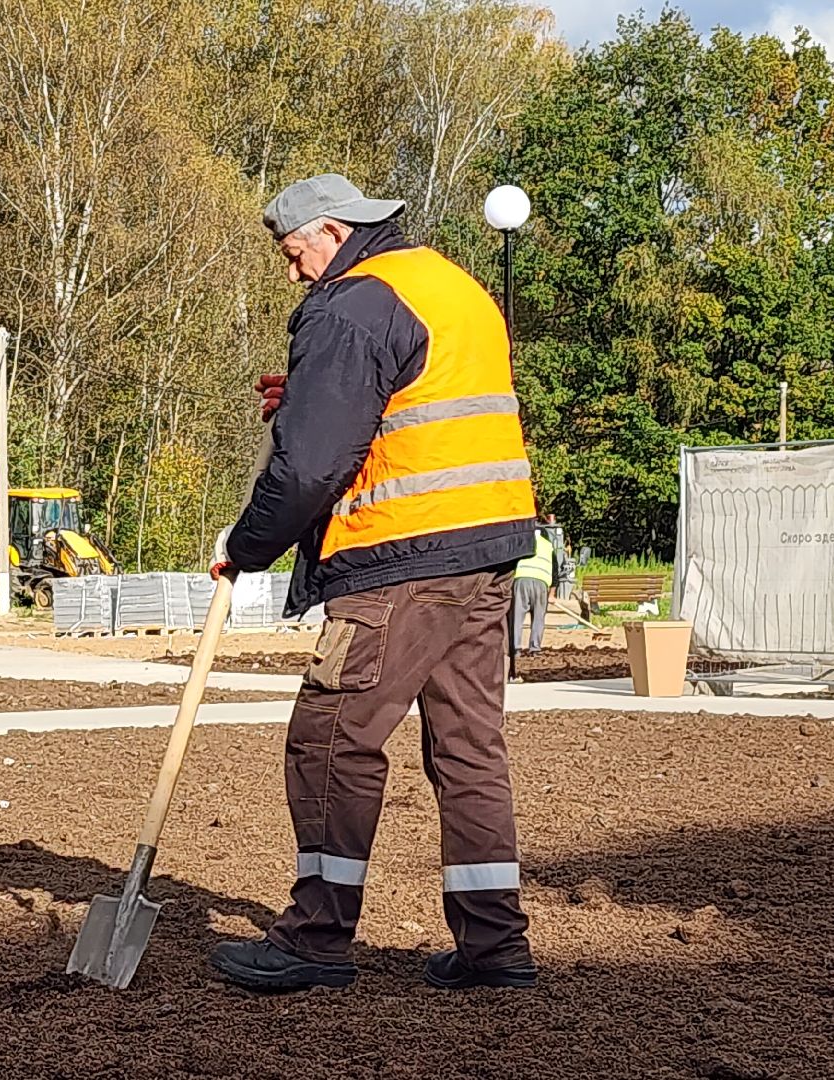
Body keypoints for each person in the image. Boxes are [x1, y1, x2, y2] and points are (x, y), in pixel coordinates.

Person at [206, 174, 539, 993]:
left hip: (401, 558)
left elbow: (314, 465)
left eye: (294, 256)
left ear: (329, 231)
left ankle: (315, 939)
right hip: (487, 550)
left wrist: (246, 545)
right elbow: (411, 401)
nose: (294, 275)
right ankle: (494, 947)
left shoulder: (350, 304)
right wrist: (315, 395)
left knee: (330, 737)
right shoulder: (447, 284)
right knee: (469, 747)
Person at [512, 522, 555, 656]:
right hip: (541, 582)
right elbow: (556, 572)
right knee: (538, 617)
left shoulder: (521, 542)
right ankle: (535, 649)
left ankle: (515, 648)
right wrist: (552, 594)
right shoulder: (548, 546)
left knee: (517, 616)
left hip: (521, 580)